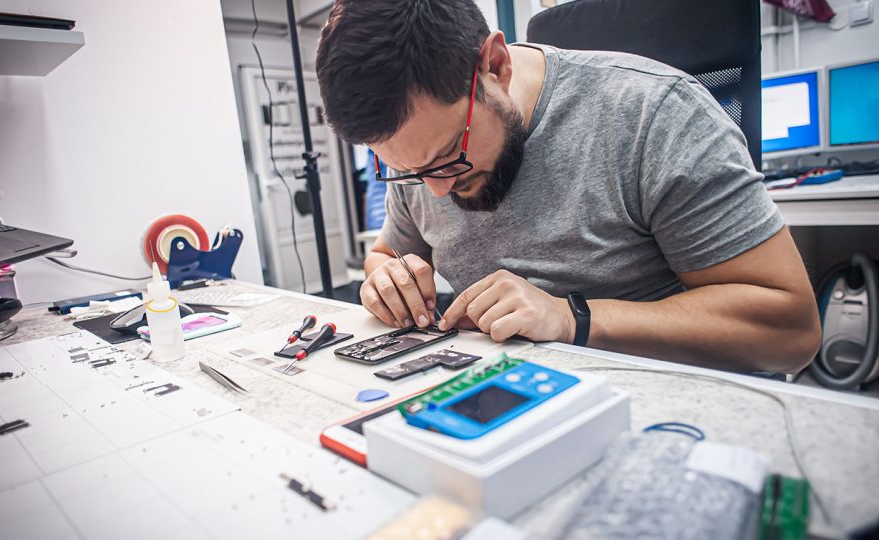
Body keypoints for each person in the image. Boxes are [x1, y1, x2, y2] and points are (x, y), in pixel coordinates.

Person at [315, 0, 820, 372]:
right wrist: (387, 278)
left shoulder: (654, 113)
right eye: (408, 171)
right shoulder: (424, 150)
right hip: (500, 398)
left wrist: (571, 319)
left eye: (449, 159)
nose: (437, 191)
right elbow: (385, 254)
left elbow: (792, 331)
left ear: (496, 66)